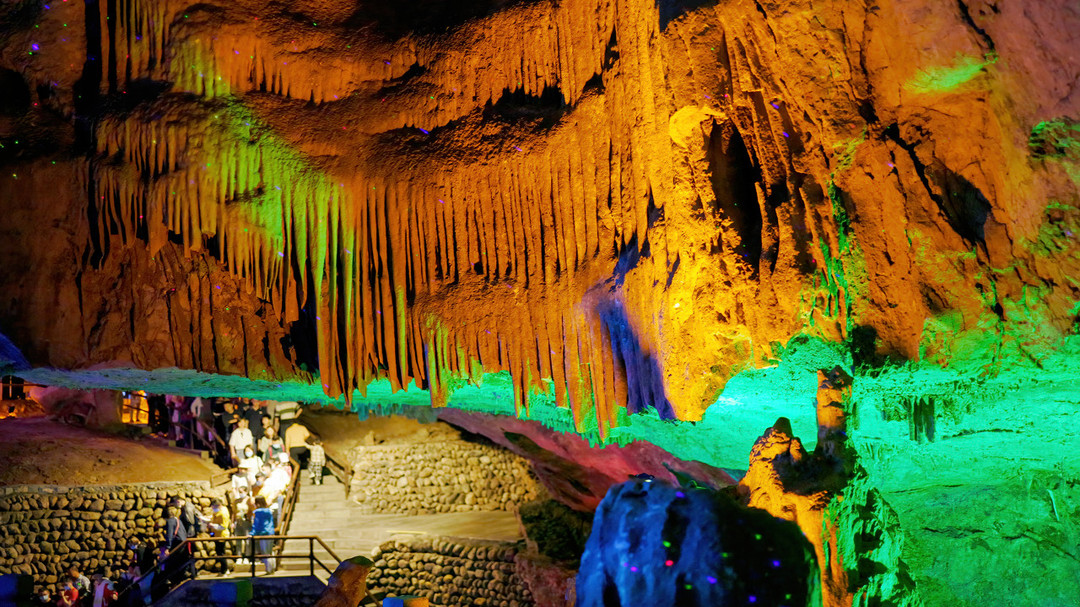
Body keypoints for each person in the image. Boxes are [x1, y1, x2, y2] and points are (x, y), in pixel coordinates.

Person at [249, 496, 276, 574]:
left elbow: (256, 524)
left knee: (264, 552)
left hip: (263, 533)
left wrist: (252, 534)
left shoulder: (257, 512)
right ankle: (272, 568)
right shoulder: (269, 511)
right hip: (270, 532)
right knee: (270, 551)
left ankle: (269, 569)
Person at [206, 499, 232, 574]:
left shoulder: (223, 513)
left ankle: (224, 570)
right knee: (219, 552)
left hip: (221, 535)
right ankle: (224, 570)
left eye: (213, 506)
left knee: (221, 553)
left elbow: (223, 526)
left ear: (219, 505)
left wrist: (212, 525)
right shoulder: (219, 511)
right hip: (217, 534)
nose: (212, 508)